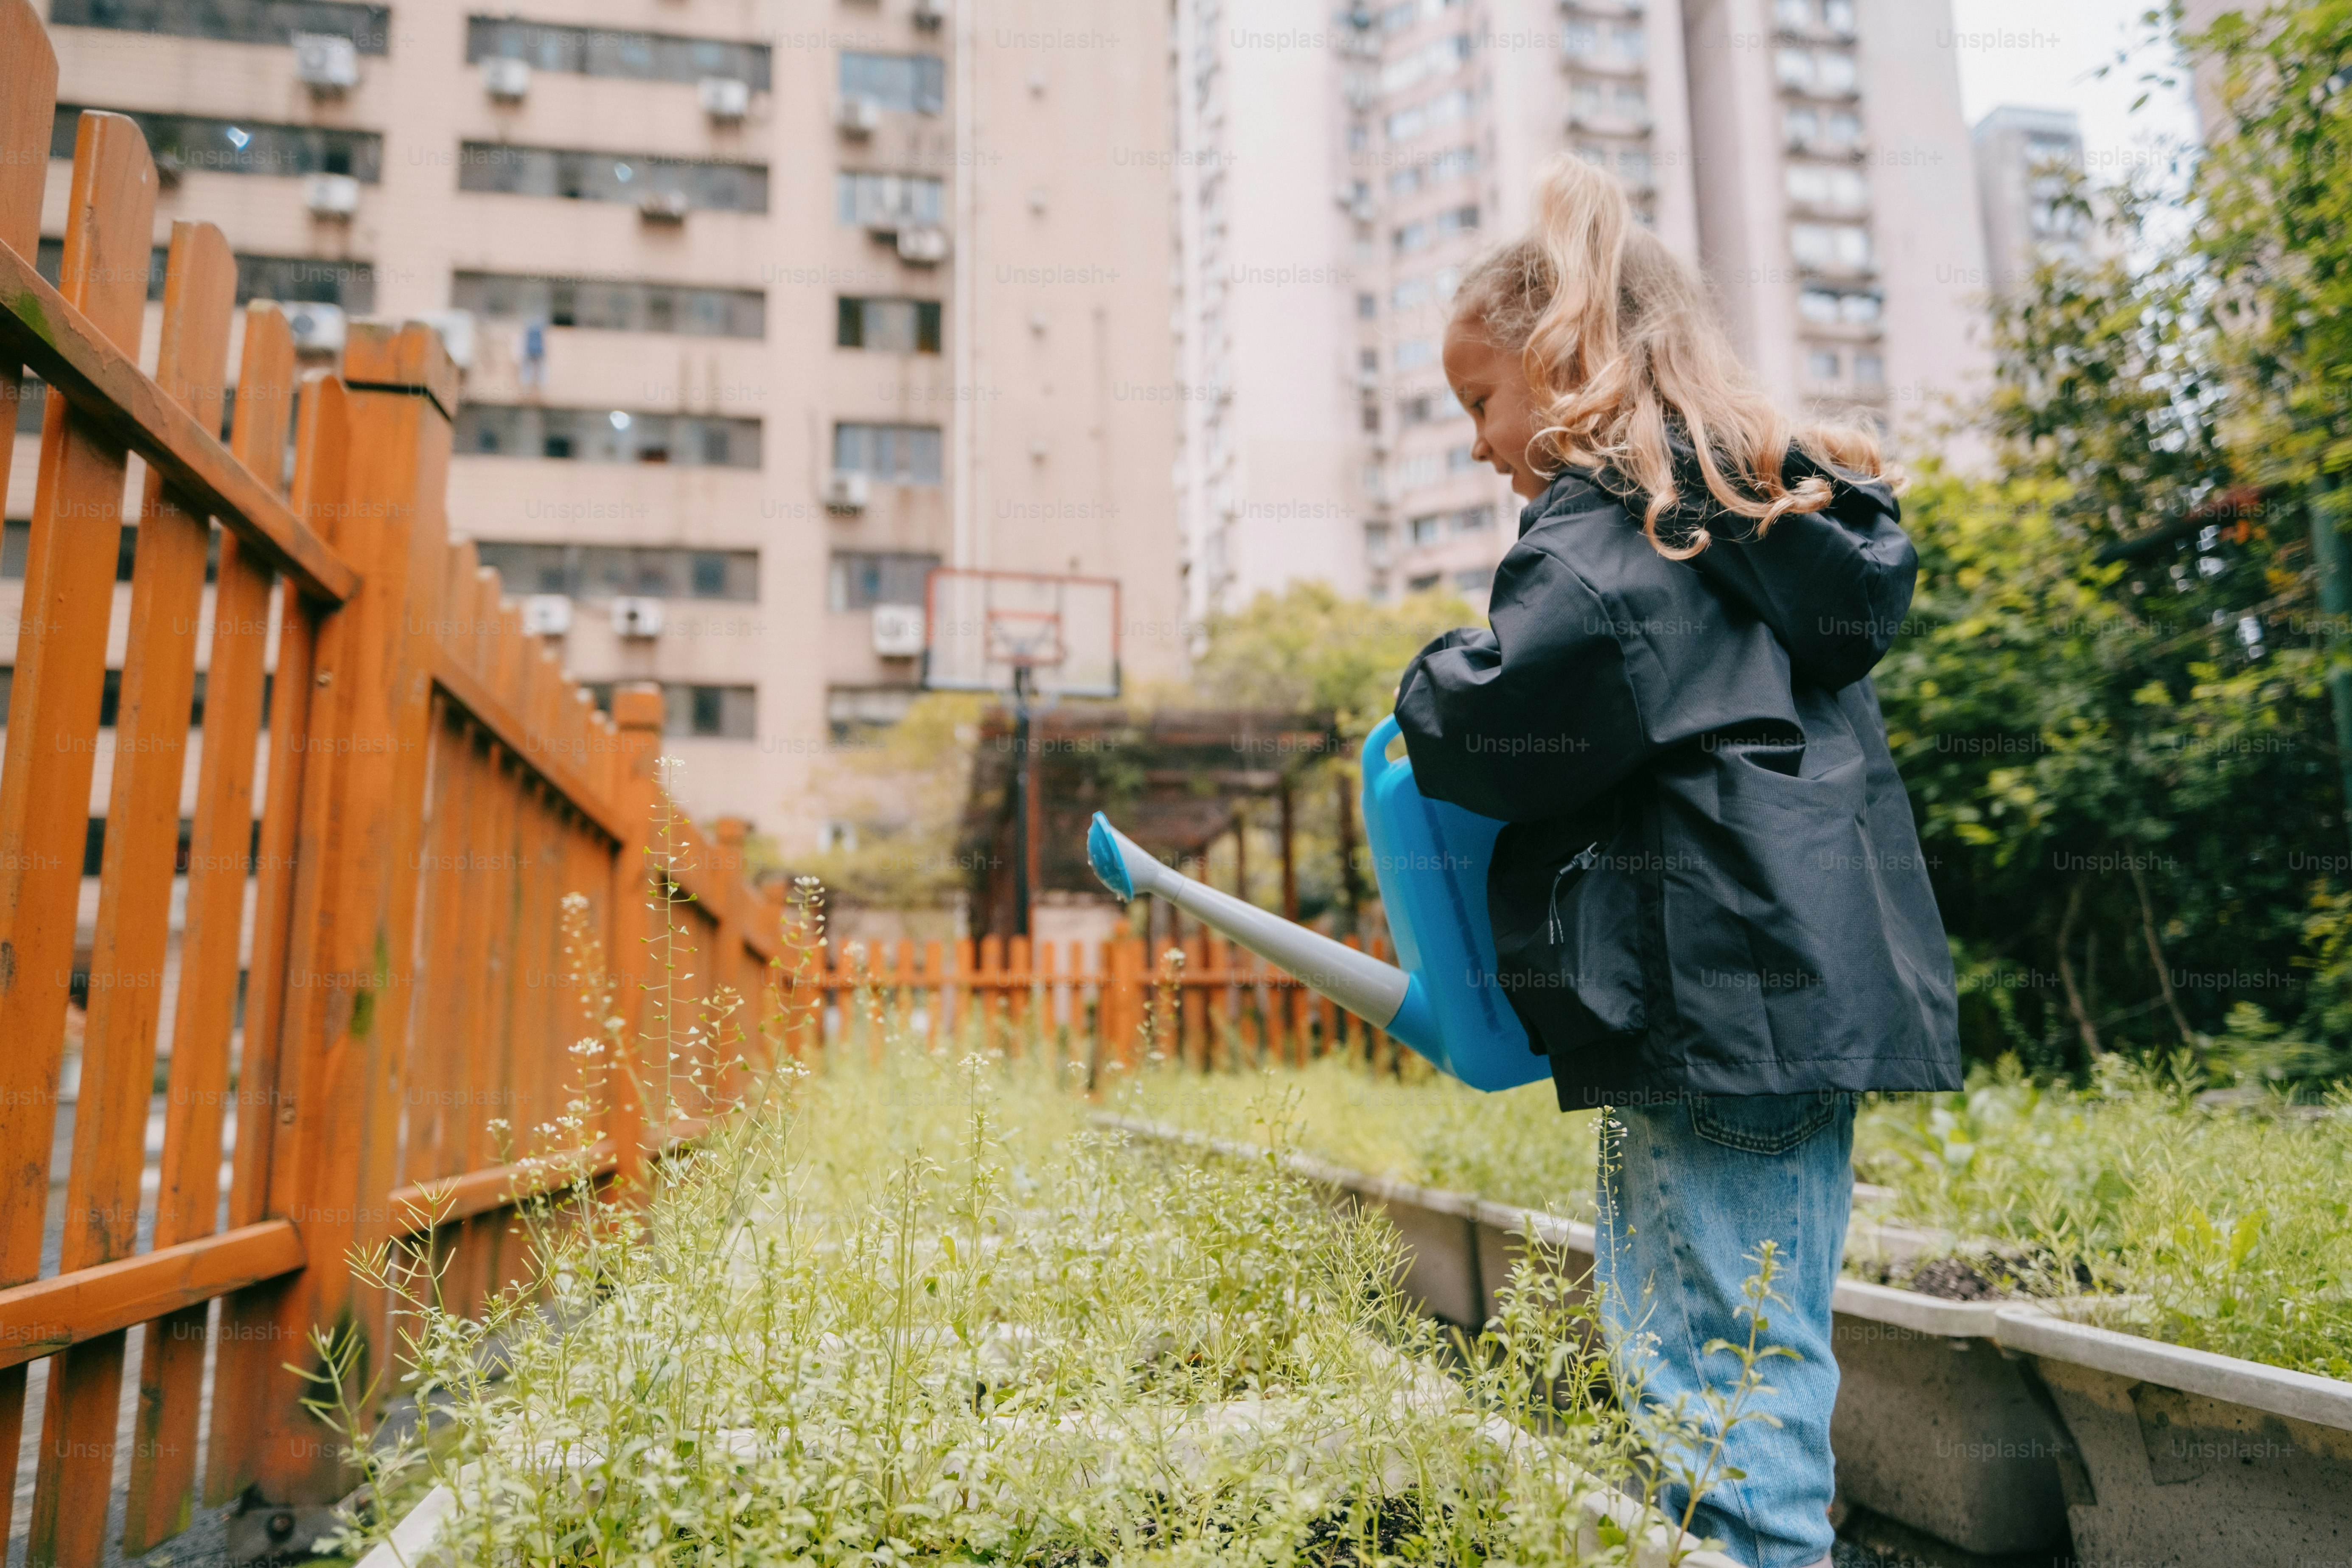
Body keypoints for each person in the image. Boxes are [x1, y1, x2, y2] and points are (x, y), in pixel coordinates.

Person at [1392, 152, 1960, 1568]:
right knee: (1745, 1349)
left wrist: (1427, 682)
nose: (1477, 444)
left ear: (1564, 359)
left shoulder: (1612, 541)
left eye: (1481, 401)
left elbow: (1506, 717)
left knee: (1711, 1375)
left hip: (1708, 1005)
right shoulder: (1762, 520)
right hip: (1783, 1003)